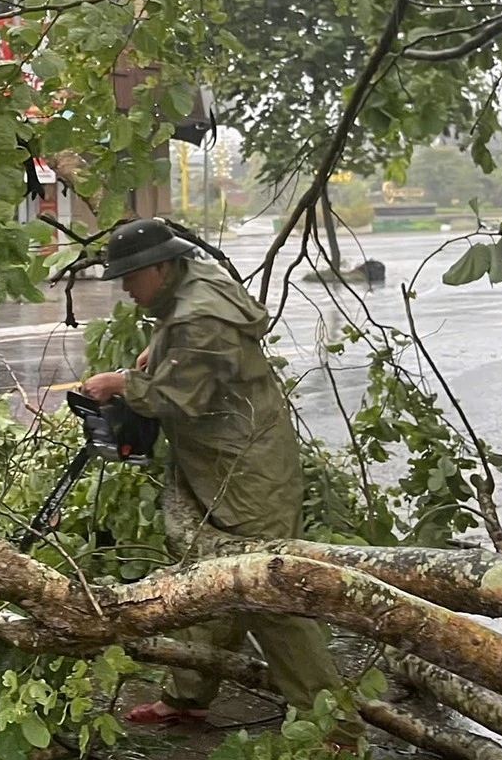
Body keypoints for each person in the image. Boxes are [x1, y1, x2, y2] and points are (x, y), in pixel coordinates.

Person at [82, 218, 350, 731]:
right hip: (216, 458)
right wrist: (160, 354)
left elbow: (178, 396)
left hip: (245, 472)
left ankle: (334, 729)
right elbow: (192, 352)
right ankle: (188, 696)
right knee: (203, 578)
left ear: (160, 268)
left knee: (271, 592)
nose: (124, 287)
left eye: (130, 277)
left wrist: (124, 384)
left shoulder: (198, 315)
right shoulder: (193, 284)